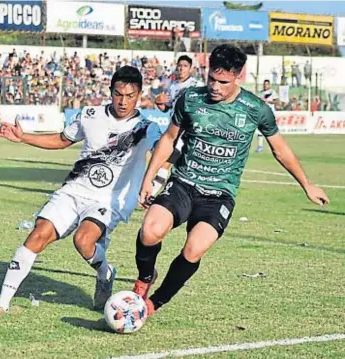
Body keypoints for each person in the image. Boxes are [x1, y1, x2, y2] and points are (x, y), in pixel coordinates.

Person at [131, 44, 330, 318]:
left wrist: (306, 184)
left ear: (239, 76)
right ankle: (144, 278)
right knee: (150, 230)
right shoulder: (190, 98)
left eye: (222, 82)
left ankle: (155, 302)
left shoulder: (255, 109)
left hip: (220, 194)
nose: (214, 86)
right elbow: (168, 139)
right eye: (212, 78)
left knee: (194, 248)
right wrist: (148, 179)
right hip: (184, 183)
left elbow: (280, 149)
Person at [0, 66, 164, 317]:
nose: (123, 101)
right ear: (110, 92)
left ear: (140, 95)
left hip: (109, 200)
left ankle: (105, 273)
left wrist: (153, 183)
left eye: (130, 96)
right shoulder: (90, 114)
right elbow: (62, 139)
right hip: (74, 190)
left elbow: (164, 156)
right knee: (37, 235)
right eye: (118, 94)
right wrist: (23, 138)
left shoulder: (147, 127)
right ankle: (1, 304)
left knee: (83, 240)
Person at [151, 55, 204, 197]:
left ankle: (151, 192)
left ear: (191, 68)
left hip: (187, 130)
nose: (181, 68)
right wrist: (158, 102)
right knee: (170, 162)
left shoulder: (196, 85)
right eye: (179, 65)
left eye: (185, 66)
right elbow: (167, 108)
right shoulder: (172, 86)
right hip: (174, 129)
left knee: (166, 161)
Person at [257, 79, 279, 152]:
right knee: (260, 130)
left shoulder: (272, 92)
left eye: (267, 84)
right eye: (264, 84)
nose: (265, 85)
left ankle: (275, 147)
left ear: (269, 85)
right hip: (262, 113)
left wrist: (269, 101)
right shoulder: (261, 93)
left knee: (271, 131)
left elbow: (276, 101)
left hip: (270, 113)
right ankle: (260, 146)